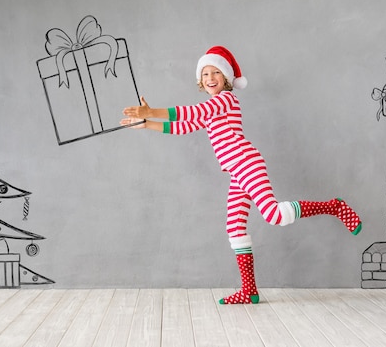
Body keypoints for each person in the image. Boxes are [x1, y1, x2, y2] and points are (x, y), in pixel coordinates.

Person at [121, 46, 362, 304]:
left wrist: (152, 111)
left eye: (215, 72)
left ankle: (335, 207)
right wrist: (148, 124)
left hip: (246, 162)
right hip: (237, 171)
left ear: (226, 78)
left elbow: (192, 112)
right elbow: (183, 127)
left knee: (274, 215)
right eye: (205, 74)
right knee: (235, 228)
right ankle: (249, 291)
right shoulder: (212, 110)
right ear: (200, 80)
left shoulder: (225, 100)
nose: (210, 77)